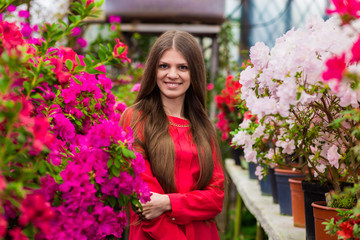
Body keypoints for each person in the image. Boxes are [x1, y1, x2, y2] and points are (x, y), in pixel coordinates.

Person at [120, 30, 225, 240]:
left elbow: (215, 198)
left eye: (182, 67)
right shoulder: (136, 118)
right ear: (153, 70)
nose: (173, 74)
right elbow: (145, 202)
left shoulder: (205, 127)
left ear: (194, 72)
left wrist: (169, 202)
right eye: (164, 66)